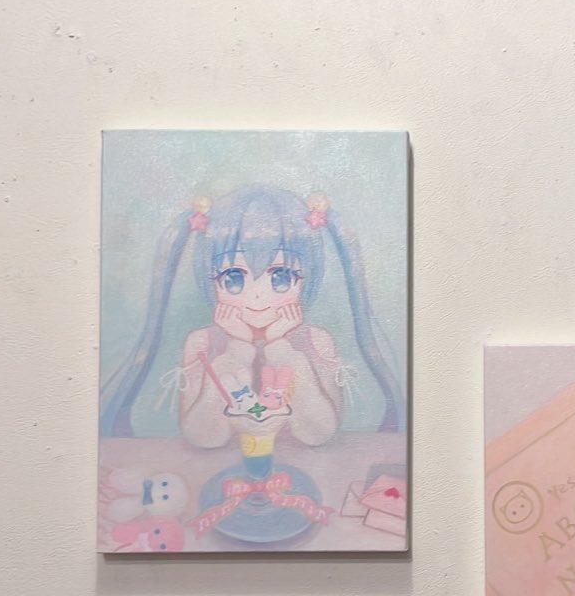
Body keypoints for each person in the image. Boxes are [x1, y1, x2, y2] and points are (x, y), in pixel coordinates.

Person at [99, 185, 402, 445]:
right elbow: (204, 438)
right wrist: (238, 352)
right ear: (210, 279)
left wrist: (282, 349)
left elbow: (318, 434)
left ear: (307, 279)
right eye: (234, 278)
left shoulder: (316, 342)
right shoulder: (202, 343)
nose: (258, 296)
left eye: (280, 277)